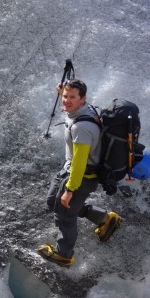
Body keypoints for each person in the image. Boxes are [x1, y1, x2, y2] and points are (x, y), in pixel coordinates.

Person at [38, 79, 122, 267]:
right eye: (65, 97)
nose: (66, 101)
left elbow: (80, 163)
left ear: (83, 99)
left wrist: (70, 189)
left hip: (81, 177)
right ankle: (106, 219)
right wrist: (64, 93)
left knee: (65, 216)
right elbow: (70, 99)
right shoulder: (83, 109)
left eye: (71, 98)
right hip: (69, 170)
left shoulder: (81, 128)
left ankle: (64, 255)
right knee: (53, 202)